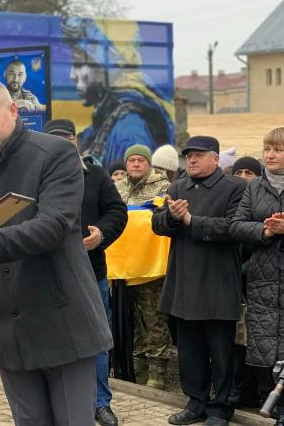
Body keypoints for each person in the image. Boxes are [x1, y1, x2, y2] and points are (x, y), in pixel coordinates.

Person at [0, 78, 113, 426]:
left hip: (64, 325)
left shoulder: (55, 154)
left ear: (13, 111)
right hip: (10, 335)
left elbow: (56, 224)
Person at [153, 136, 246, 426]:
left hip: (218, 283)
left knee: (221, 353)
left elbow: (234, 228)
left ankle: (221, 408)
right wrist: (171, 217)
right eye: (189, 155)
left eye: (198, 155)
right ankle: (195, 403)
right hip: (183, 284)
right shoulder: (177, 187)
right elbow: (157, 224)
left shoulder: (235, 187)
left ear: (215, 159)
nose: (191, 160)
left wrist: (192, 221)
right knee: (190, 351)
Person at [43, 118, 128, 426]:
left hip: (91, 273)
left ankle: (100, 402)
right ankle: (56, 401)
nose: (61, 145)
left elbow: (117, 211)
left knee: (98, 340)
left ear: (76, 141)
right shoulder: (35, 176)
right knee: (52, 340)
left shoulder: (95, 174)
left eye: (66, 139)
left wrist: (101, 234)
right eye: (55, 139)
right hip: (46, 275)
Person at [63, 18, 175, 168]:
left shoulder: (129, 130)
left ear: (105, 67)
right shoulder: (104, 121)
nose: (72, 75)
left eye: (78, 64)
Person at [230, 131, 284, 425]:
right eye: (267, 149)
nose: (270, 155)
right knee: (264, 346)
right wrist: (265, 230)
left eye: (278, 149)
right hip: (262, 278)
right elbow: (236, 226)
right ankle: (269, 403)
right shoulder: (254, 187)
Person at [115, 144, 171, 390]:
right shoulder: (117, 188)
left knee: (154, 318)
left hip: (151, 266)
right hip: (122, 266)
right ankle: (137, 365)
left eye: (141, 160)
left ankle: (158, 370)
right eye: (132, 160)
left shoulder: (163, 187)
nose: (136, 164)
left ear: (149, 164)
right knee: (132, 318)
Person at [226, 156, 263, 410]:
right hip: (232, 282)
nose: (242, 177)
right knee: (237, 340)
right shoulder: (228, 202)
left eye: (249, 172)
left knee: (257, 338)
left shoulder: (262, 203)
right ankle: (240, 388)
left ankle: (258, 390)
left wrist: (245, 270)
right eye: (238, 172)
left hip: (258, 282)